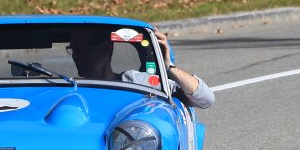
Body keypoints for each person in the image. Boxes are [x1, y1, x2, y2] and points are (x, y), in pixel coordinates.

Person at [69, 27, 215, 110]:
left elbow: (206, 99)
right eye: (75, 49)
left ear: (106, 49)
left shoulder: (136, 82)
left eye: (85, 48)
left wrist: (169, 66)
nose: (78, 55)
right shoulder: (67, 88)